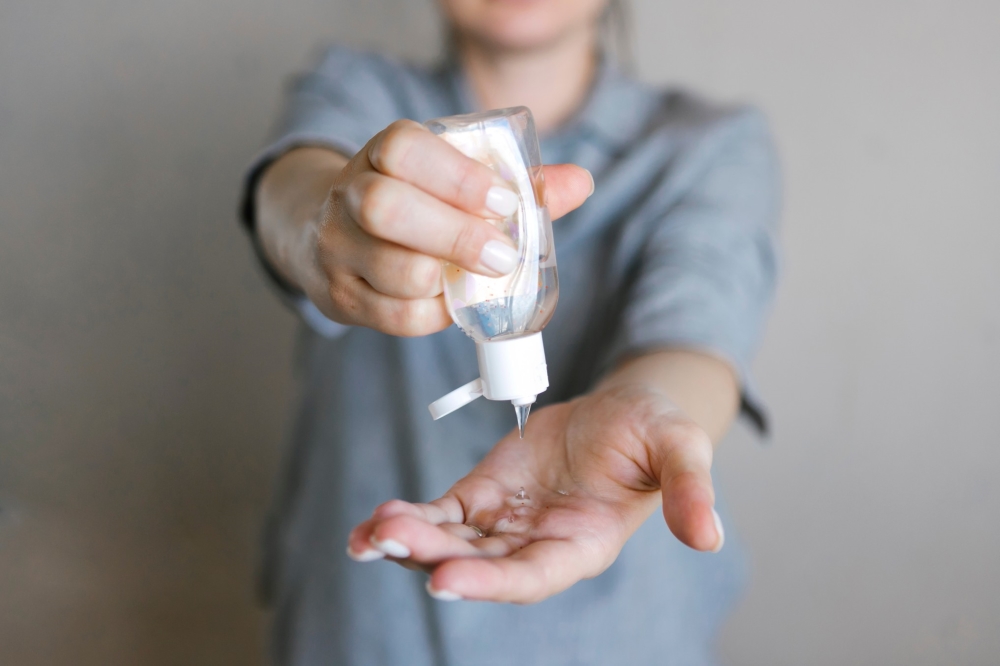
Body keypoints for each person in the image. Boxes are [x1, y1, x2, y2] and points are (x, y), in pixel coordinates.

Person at [240, 0, 779, 663]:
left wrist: (650, 410)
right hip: (366, 632)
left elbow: (695, 336)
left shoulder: (708, 145)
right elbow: (291, 192)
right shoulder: (357, 93)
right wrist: (328, 229)